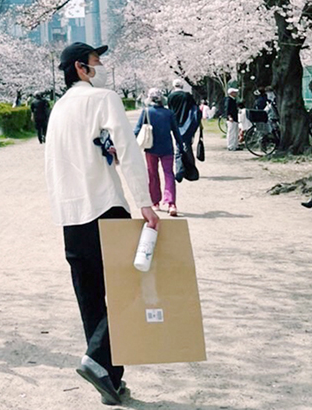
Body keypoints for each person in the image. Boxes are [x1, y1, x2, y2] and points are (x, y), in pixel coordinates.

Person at [44, 42, 159, 406]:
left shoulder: (57, 110)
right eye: (97, 61)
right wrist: (145, 202)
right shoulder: (103, 98)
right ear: (82, 68)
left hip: (70, 215)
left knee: (91, 298)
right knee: (131, 287)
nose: (102, 66)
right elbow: (128, 150)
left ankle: (109, 377)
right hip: (105, 206)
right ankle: (97, 361)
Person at [135, 88, 184, 216]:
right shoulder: (169, 113)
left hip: (151, 148)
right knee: (169, 174)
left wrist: (131, 144)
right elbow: (176, 131)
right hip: (167, 148)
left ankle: (155, 202)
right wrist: (181, 145)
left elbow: (137, 129)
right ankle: (171, 203)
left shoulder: (146, 112)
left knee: (152, 174)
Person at [167, 79, 201, 152]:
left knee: (177, 139)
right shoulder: (187, 95)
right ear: (182, 86)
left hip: (175, 120)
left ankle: (179, 155)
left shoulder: (170, 96)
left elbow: (170, 108)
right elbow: (194, 108)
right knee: (187, 140)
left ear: (173, 86)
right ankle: (186, 156)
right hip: (187, 120)